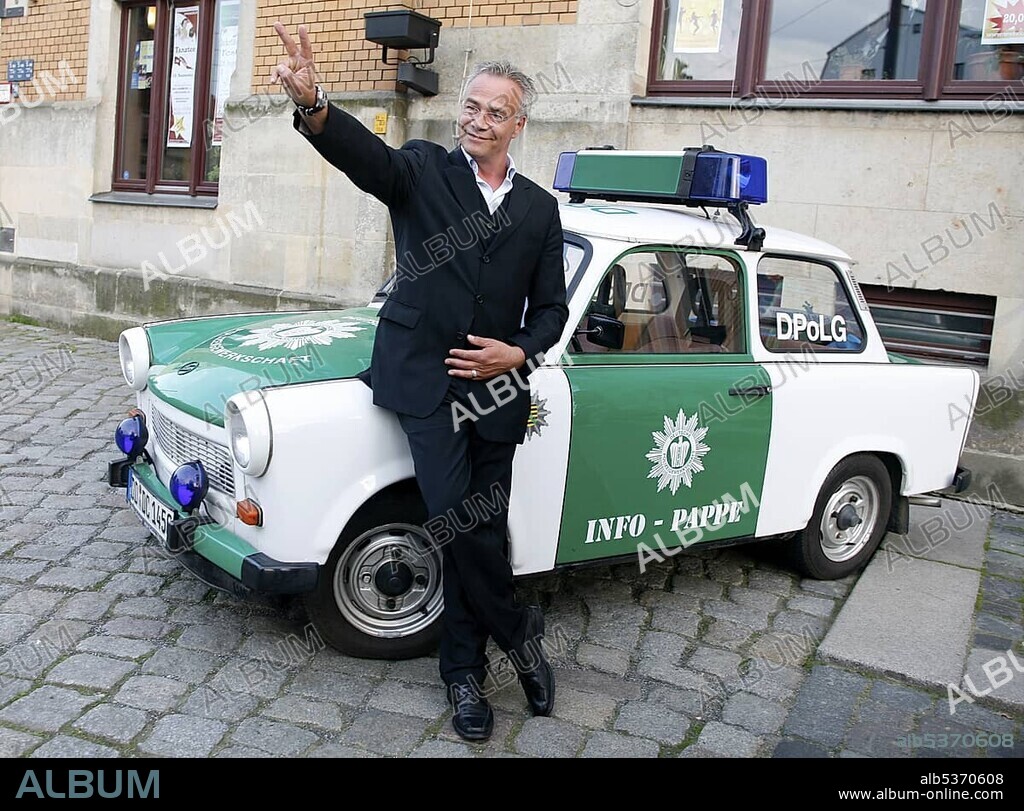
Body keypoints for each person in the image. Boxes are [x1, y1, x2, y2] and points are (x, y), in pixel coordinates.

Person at [271, 22, 569, 742]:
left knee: (484, 529)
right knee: (458, 519)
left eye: (495, 111)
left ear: (518, 125)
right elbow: (366, 159)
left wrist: (517, 353)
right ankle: (518, 639)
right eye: (471, 106)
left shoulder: (539, 208)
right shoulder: (423, 169)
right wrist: (315, 104)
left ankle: (464, 669)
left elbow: (553, 311)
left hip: (497, 393)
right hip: (424, 382)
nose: (478, 120)